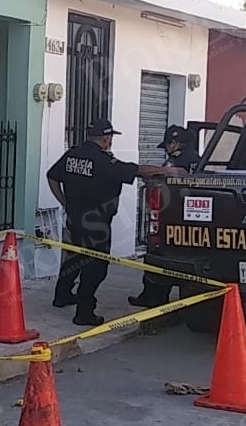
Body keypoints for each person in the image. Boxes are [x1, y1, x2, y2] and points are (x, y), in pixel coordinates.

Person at [46, 119, 184, 326]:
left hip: (73, 218)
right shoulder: (103, 161)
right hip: (96, 223)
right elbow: (137, 170)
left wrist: (64, 202)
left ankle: (62, 295)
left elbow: (52, 176)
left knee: (73, 258)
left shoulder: (72, 155)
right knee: (96, 267)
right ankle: (84, 312)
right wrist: (169, 171)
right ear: (106, 138)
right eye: (110, 137)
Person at [128, 125, 202, 309]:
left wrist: (145, 172)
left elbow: (171, 174)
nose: (167, 150)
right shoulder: (198, 158)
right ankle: (157, 296)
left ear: (174, 143)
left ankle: (153, 297)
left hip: (169, 213)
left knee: (158, 250)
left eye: (167, 145)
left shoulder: (178, 160)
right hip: (191, 215)